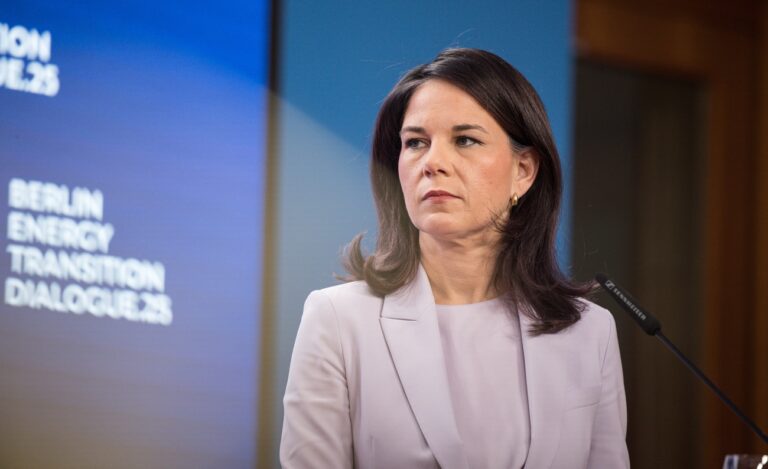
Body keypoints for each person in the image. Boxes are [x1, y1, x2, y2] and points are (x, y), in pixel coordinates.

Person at [280, 48, 629, 469]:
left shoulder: (589, 333)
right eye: (415, 143)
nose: (433, 163)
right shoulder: (338, 320)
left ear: (524, 171)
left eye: (465, 140)